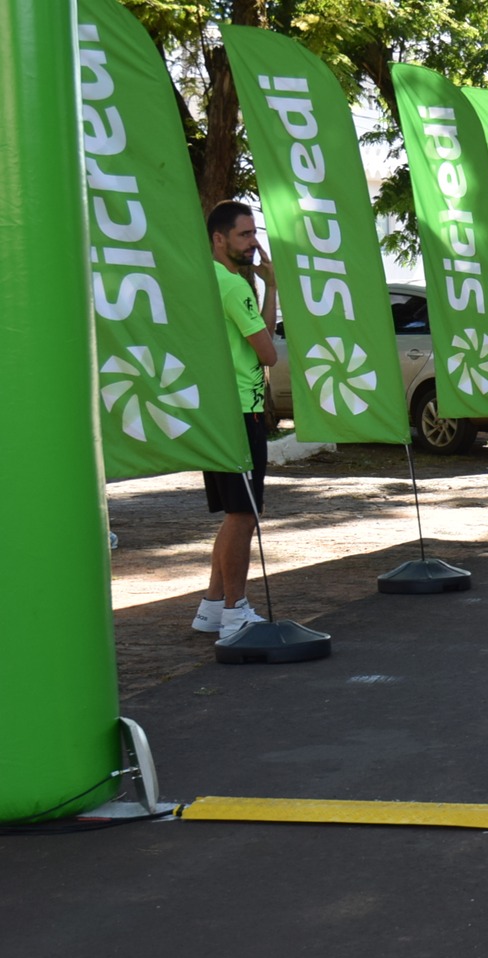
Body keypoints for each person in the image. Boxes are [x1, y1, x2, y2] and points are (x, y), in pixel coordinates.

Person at [191, 200, 277, 640]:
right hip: (240, 409)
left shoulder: (211, 281)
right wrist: (260, 291)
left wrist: (269, 288)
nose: (253, 243)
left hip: (221, 408)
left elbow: (251, 338)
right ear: (218, 239)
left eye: (253, 234)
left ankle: (211, 607)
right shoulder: (229, 285)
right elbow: (267, 353)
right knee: (244, 516)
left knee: (235, 513)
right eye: (244, 235)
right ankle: (235, 610)